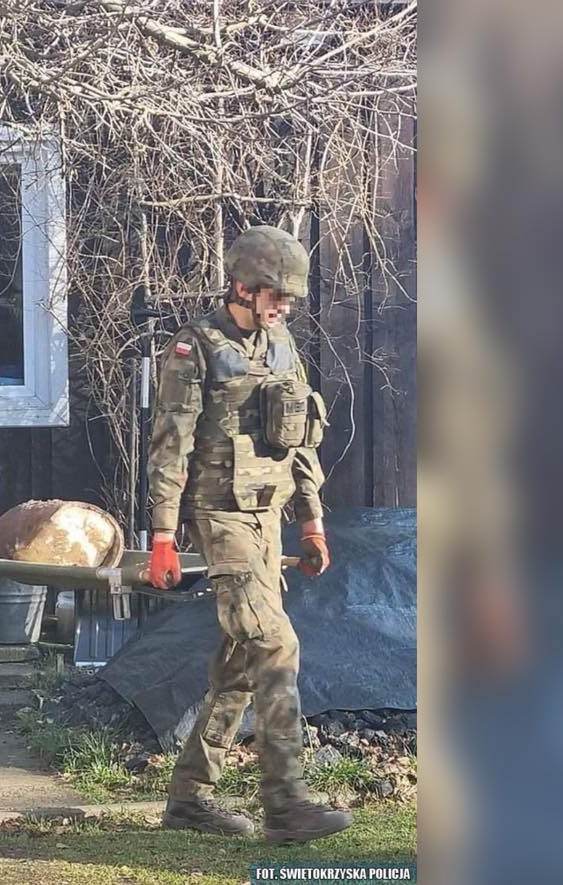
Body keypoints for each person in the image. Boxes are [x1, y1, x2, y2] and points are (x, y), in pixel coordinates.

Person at [146, 225, 352, 844]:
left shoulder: (283, 345)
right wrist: (161, 535)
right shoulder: (197, 349)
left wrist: (312, 520)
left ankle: (190, 797)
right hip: (221, 517)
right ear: (242, 285)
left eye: (288, 297)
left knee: (240, 660)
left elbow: (300, 440)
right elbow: (169, 445)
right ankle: (285, 802)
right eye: (274, 294)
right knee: (274, 644)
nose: (283, 306)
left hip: (269, 519)